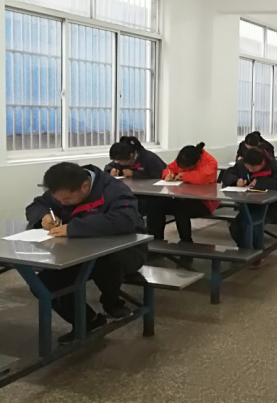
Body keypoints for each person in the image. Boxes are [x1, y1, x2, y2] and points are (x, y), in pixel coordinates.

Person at [25, 162, 146, 343]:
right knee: (44, 284)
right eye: (59, 200)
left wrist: (72, 228)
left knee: (106, 263)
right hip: (79, 252)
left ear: (84, 186)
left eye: (66, 200)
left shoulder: (113, 189)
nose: (62, 203)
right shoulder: (63, 188)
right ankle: (88, 321)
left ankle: (112, 302)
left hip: (126, 251)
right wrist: (43, 216)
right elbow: (36, 205)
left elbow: (125, 219)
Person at [146, 142, 219, 243]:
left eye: (186, 168)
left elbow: (202, 178)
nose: (183, 169)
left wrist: (183, 176)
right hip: (181, 197)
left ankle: (186, 242)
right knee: (156, 205)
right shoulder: (183, 159)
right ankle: (156, 240)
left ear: (195, 163)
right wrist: (168, 175)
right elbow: (170, 168)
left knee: (180, 210)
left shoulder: (210, 162)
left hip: (204, 201)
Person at [222, 148, 277, 249]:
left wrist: (260, 183)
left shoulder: (273, 166)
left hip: (270, 207)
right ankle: (246, 251)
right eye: (248, 167)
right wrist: (236, 181)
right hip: (248, 207)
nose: (250, 170)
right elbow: (227, 175)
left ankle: (257, 252)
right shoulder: (242, 164)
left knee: (252, 226)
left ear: (262, 163)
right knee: (235, 228)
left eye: (253, 167)